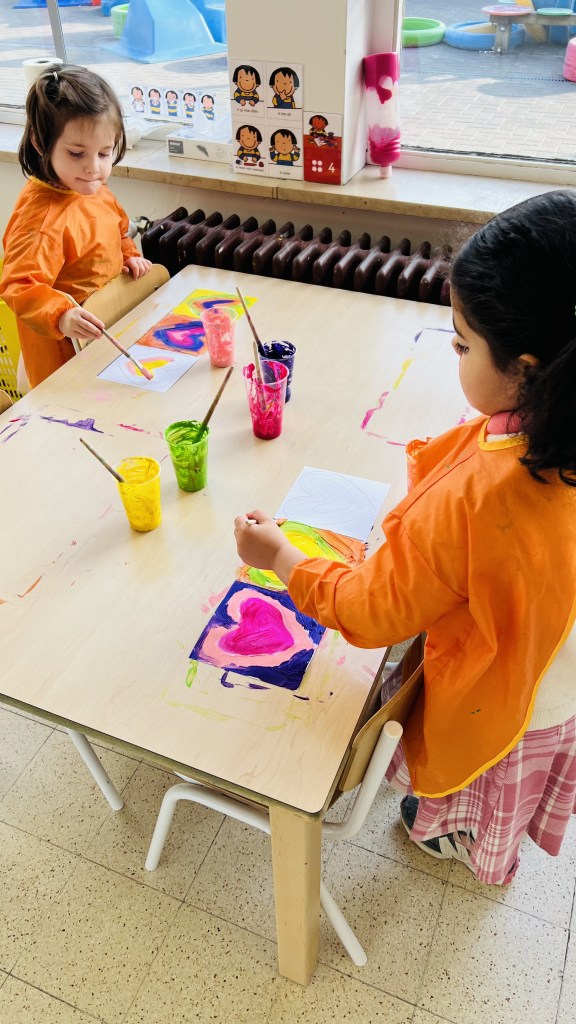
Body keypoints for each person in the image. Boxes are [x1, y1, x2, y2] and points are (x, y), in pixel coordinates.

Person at [234, 189, 576, 886]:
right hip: (556, 665)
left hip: (503, 688)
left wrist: (280, 557)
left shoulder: (480, 500)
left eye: (463, 343)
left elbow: (368, 613)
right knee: (514, 759)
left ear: (528, 370)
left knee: (484, 773)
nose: (453, 352)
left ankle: (459, 839)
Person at [0, 65, 151, 389]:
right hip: (62, 352)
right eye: (77, 153)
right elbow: (19, 285)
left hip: (104, 331)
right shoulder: (41, 220)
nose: (93, 168)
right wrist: (61, 315)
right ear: (41, 142)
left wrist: (128, 255)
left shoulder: (88, 186)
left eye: (105, 153)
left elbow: (115, 230)